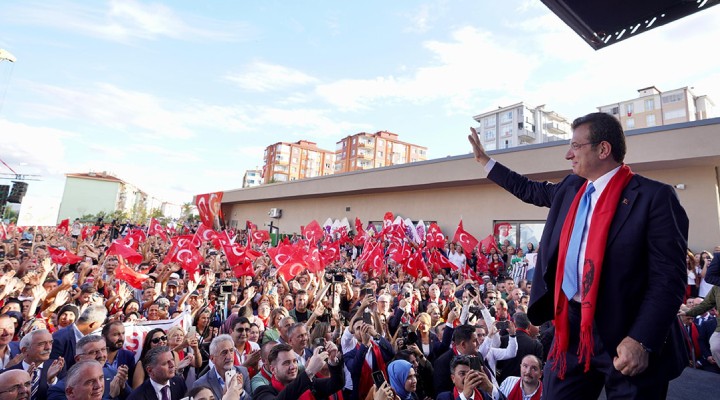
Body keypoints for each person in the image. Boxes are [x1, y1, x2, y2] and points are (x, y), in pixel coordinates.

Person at [468, 111, 689, 399]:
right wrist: (485, 161)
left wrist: (641, 340)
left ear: (603, 149)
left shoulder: (654, 197)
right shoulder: (571, 188)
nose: (568, 154)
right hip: (571, 328)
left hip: (626, 332)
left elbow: (669, 278)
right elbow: (528, 189)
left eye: (576, 146)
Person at [48, 334, 131, 400]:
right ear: (78, 359)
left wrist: (123, 387)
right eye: (93, 352)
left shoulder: (113, 374)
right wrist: (111, 396)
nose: (101, 355)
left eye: (103, 349)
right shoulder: (60, 389)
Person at [253, 342, 345, 400]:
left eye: (294, 361)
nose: (293, 366)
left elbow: (337, 383)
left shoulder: (310, 385)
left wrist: (333, 361)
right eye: (286, 363)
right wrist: (309, 372)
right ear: (273, 369)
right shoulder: (263, 391)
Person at [191, 335, 251, 400]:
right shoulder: (201, 384)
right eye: (224, 353)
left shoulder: (243, 372)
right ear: (212, 358)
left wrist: (241, 391)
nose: (229, 356)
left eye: (231, 351)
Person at [50, 304, 107, 369]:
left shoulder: (90, 338)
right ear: (92, 324)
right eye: (99, 325)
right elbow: (52, 368)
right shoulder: (59, 338)